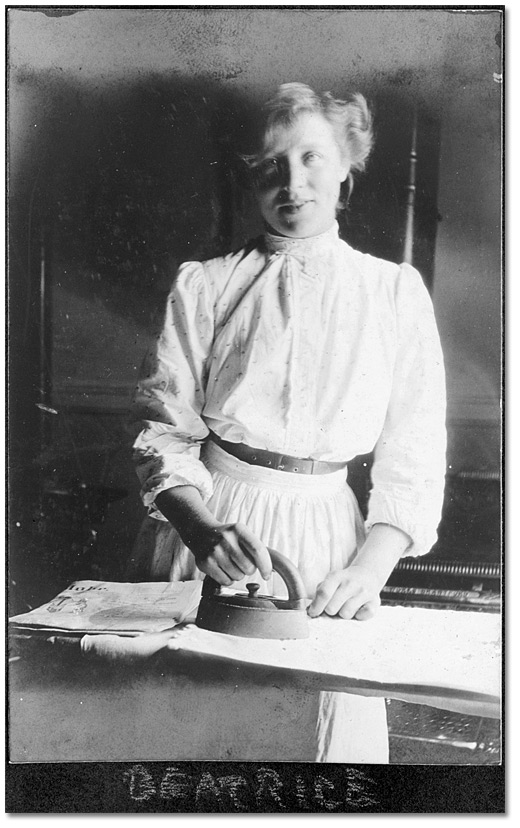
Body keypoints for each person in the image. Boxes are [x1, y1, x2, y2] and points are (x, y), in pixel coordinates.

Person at [131, 82, 446, 762]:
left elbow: (414, 450)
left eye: (310, 158)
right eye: (270, 165)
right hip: (207, 525)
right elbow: (165, 432)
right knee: (185, 747)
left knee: (317, 750)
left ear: (345, 167)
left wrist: (370, 566)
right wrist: (199, 527)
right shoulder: (207, 284)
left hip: (325, 544)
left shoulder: (392, 292)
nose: (292, 182)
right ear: (249, 177)